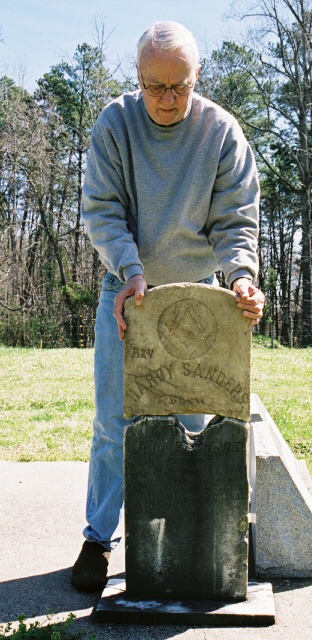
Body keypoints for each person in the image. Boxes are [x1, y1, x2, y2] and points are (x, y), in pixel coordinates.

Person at [72, 20, 265, 592]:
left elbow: (236, 218)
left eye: (178, 86)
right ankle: (96, 541)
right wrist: (130, 273)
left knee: (194, 419)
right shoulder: (116, 123)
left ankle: (192, 536)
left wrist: (241, 279)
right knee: (115, 422)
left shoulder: (221, 132)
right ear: (138, 80)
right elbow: (102, 209)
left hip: (200, 292)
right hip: (127, 291)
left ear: (197, 77)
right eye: (153, 87)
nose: (166, 100)